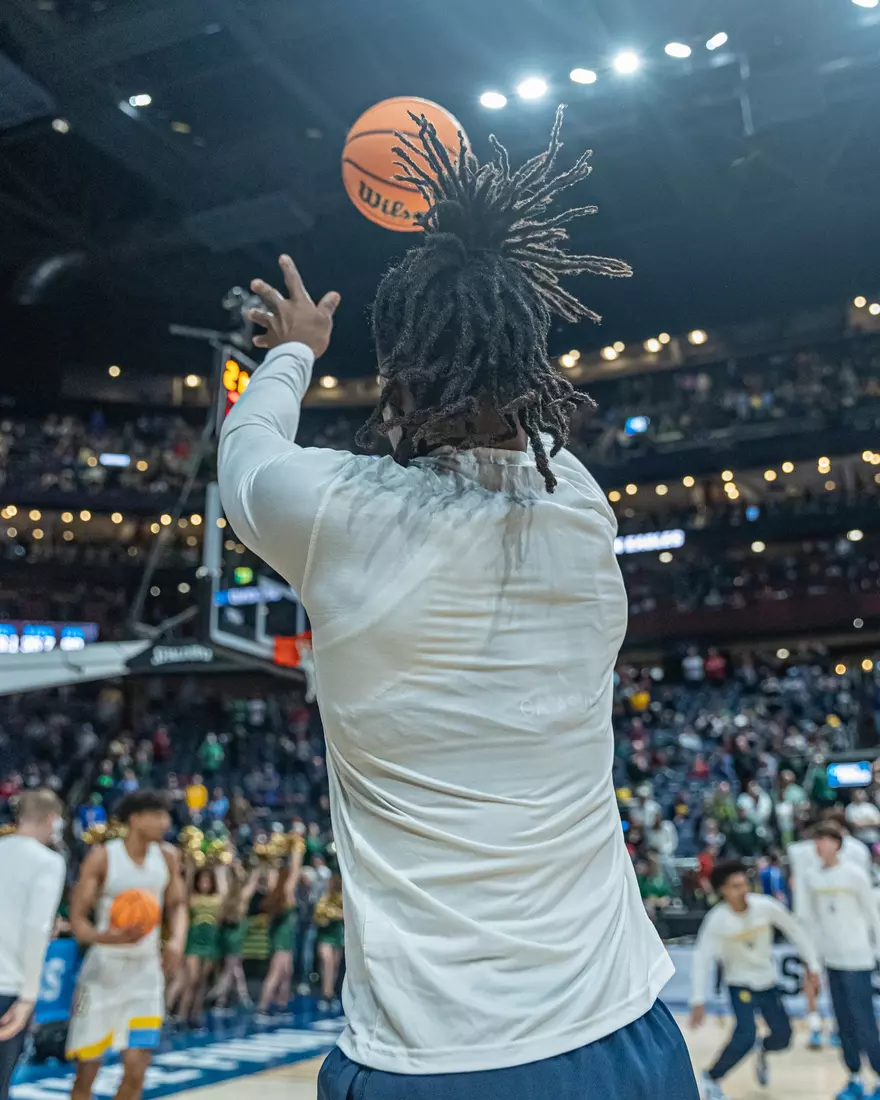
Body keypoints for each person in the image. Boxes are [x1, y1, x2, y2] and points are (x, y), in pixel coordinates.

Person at [219, 107, 698, 1098]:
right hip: (627, 1034)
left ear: (395, 381)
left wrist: (295, 349)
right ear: (529, 368)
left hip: (436, 1059)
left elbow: (246, 450)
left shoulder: (340, 512)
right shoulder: (579, 507)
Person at [68, 790, 187, 1100]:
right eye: (158, 815)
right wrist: (105, 937)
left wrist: (176, 940)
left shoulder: (168, 857)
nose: (165, 822)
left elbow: (178, 905)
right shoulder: (103, 857)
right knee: (86, 1073)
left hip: (145, 972)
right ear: (136, 819)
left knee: (137, 1069)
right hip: (103, 971)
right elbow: (78, 921)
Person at [690, 860, 820, 1100]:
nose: (743, 890)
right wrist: (698, 999)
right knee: (745, 1034)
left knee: (783, 1037)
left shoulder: (765, 907)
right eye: (735, 886)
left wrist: (812, 966)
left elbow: (795, 930)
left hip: (767, 982)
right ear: (723, 890)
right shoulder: (717, 920)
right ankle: (711, 1077)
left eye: (744, 884)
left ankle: (763, 1049)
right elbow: (702, 958)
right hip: (739, 984)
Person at [802, 824, 880, 1100]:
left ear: (837, 843)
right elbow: (811, 922)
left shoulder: (855, 874)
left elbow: (873, 916)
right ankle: (854, 1077)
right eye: (816, 840)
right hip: (831, 961)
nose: (819, 845)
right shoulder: (811, 877)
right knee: (843, 1023)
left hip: (858, 960)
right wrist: (813, 962)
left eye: (824, 840)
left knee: (864, 1022)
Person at [0, 790, 66, 1100]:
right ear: (51, 819)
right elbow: (36, 927)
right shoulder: (48, 861)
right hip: (8, 986)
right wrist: (28, 997)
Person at [789, 812, 871, 1048]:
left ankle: (840, 1029)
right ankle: (815, 1024)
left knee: (848, 991)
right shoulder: (801, 852)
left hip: (847, 929)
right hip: (811, 921)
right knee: (811, 973)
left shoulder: (857, 853)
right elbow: (797, 886)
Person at [170, 865, 225, 1025]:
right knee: (192, 979)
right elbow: (184, 899)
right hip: (194, 941)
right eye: (202, 881)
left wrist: (222, 870)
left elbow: (224, 899)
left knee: (202, 981)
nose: (205, 884)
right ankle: (181, 1015)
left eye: (208, 881)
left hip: (210, 940)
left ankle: (195, 1015)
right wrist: (190, 871)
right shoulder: (192, 898)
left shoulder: (217, 899)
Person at [257, 840, 304, 1017]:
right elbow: (296, 871)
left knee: (286, 971)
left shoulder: (275, 891)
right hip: (282, 937)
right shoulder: (286, 893)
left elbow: (273, 874)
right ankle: (262, 1007)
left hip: (282, 935)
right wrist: (297, 848)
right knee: (276, 972)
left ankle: (281, 1003)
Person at [210, 863, 259, 1012]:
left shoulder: (226, 895)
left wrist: (222, 866)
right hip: (236, 937)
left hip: (225, 935)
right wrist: (258, 866)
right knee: (230, 969)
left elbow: (220, 879)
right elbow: (253, 882)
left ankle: (240, 997)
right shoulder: (243, 897)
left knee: (234, 968)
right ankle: (218, 998)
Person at [313, 872, 344, 1011]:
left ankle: (330, 993)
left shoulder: (344, 896)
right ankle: (326, 994)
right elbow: (318, 913)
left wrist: (336, 913)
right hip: (325, 934)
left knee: (335, 965)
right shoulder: (324, 895)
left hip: (337, 933)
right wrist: (335, 913)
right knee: (327, 962)